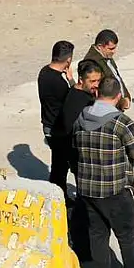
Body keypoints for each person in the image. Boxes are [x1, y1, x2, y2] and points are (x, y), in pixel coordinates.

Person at [72, 76, 134, 268]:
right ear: (118, 96)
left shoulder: (81, 117)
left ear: (97, 93)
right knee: (127, 235)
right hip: (114, 189)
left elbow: (74, 148)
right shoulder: (121, 123)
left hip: (87, 188)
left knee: (97, 234)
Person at [50, 60, 104, 199]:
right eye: (92, 81)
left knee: (58, 177)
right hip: (70, 148)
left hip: (62, 143)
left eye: (98, 80)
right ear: (82, 79)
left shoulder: (77, 90)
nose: (96, 85)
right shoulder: (82, 102)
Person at [38, 40, 75, 196]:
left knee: (58, 166)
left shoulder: (44, 72)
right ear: (68, 60)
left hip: (48, 125)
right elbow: (72, 101)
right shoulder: (60, 83)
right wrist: (71, 80)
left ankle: (60, 196)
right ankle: (60, 199)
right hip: (58, 129)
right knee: (60, 168)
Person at [85, 29, 131, 110]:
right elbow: (103, 91)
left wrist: (126, 96)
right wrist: (122, 103)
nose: (114, 52)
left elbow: (117, 77)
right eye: (111, 48)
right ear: (100, 47)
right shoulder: (91, 63)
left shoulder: (106, 56)